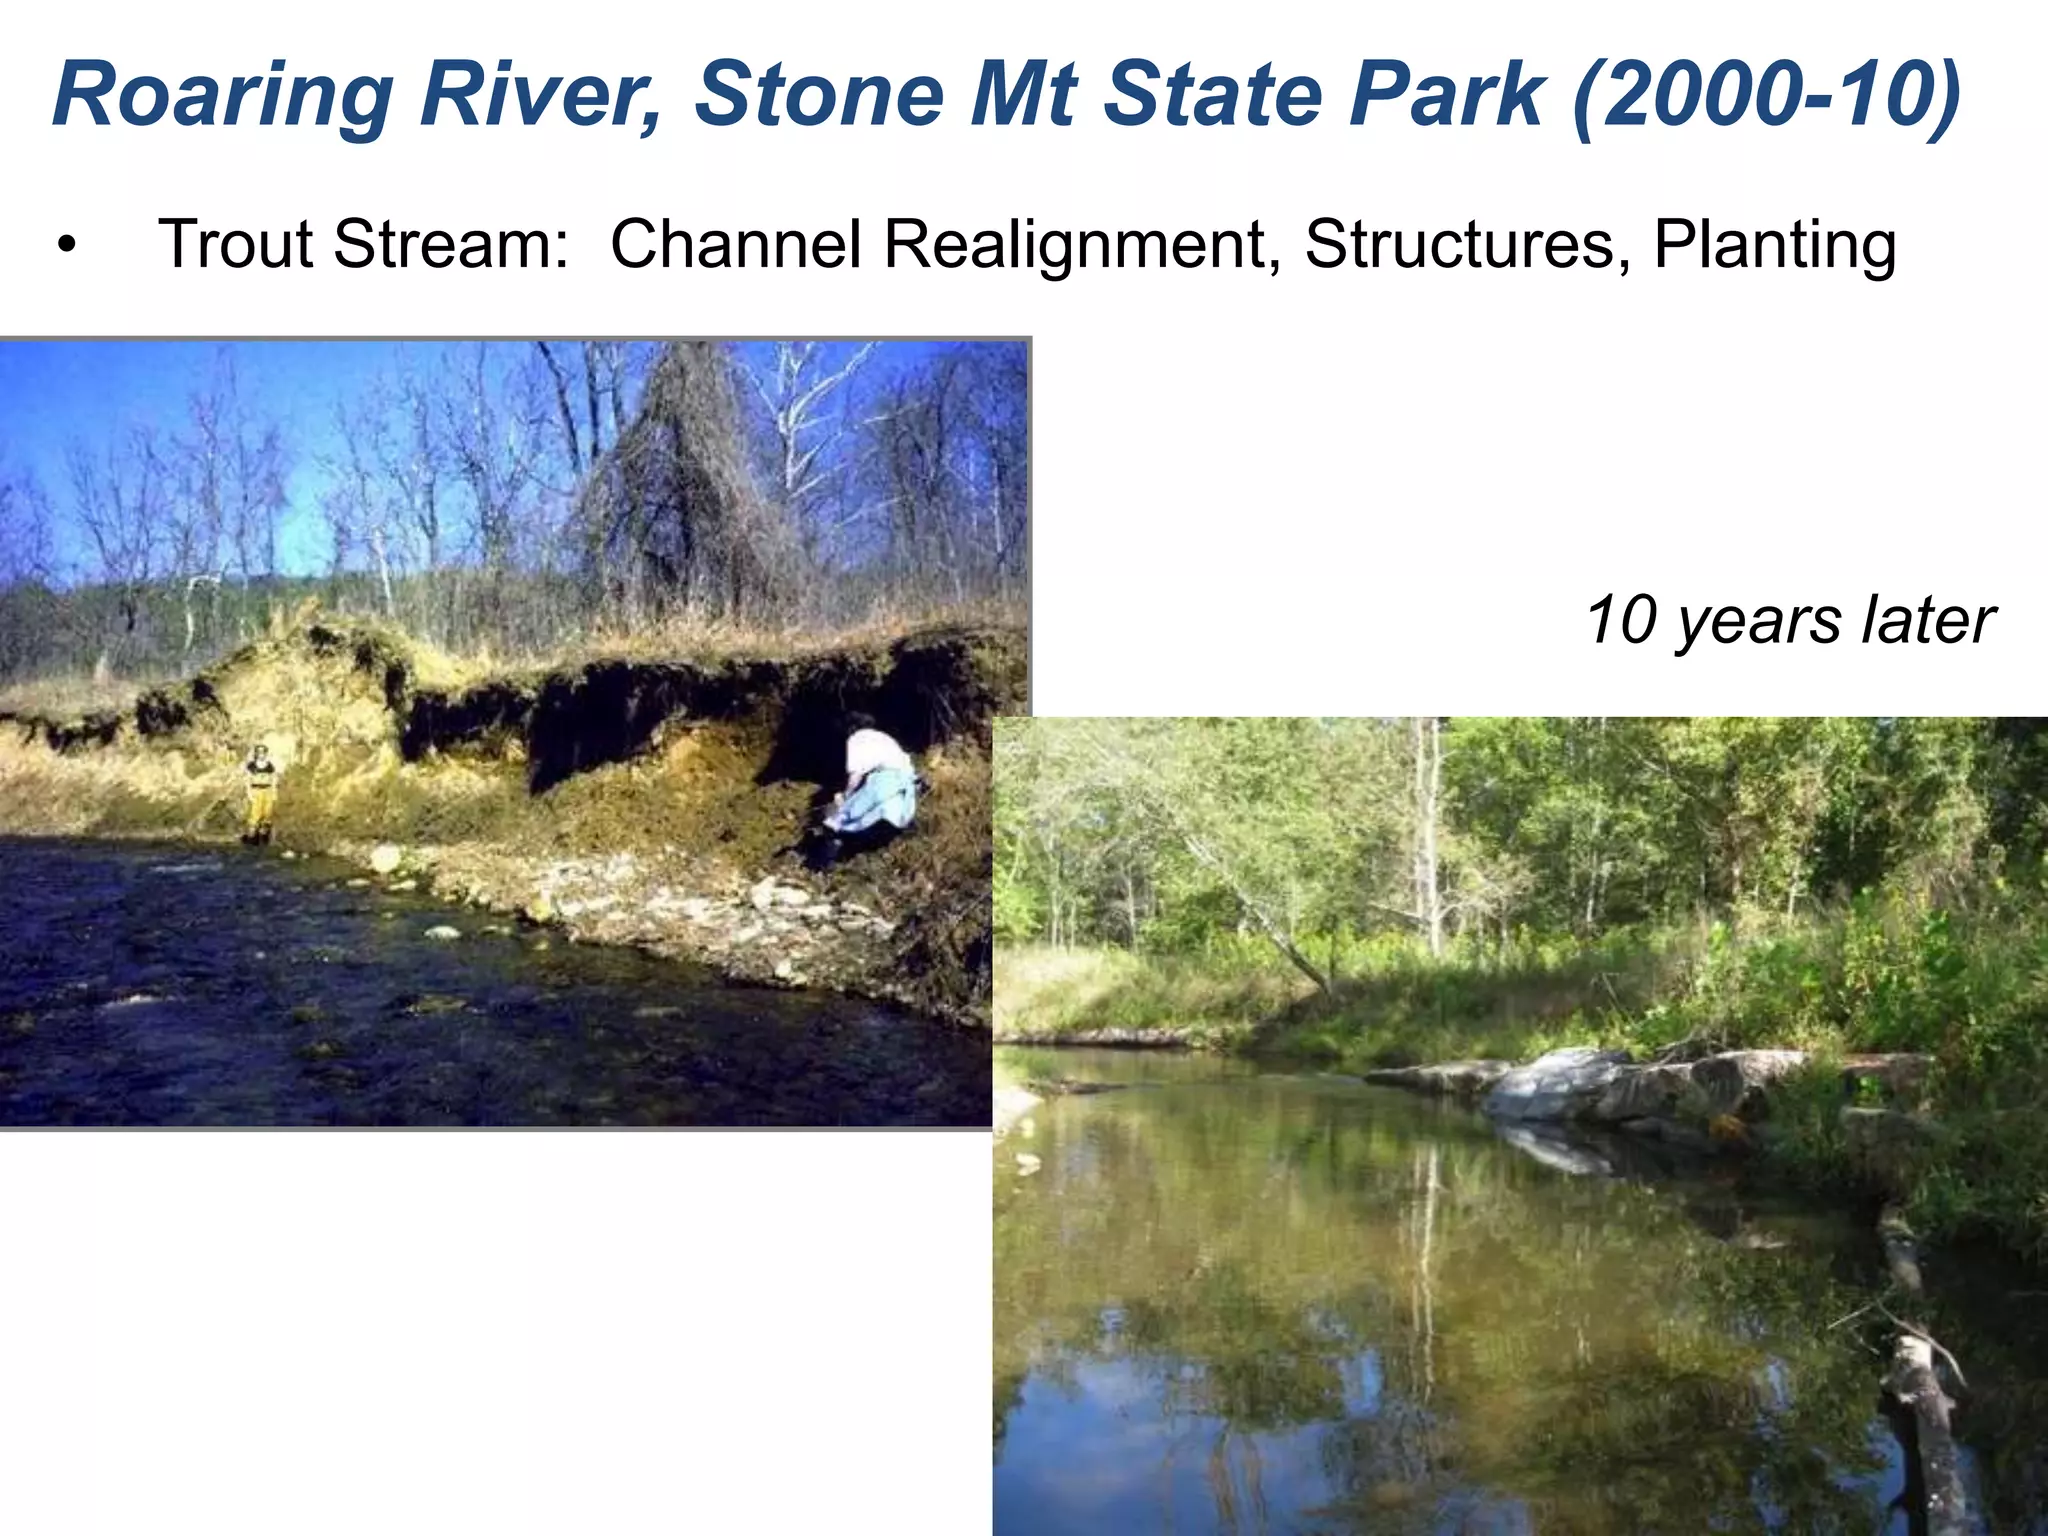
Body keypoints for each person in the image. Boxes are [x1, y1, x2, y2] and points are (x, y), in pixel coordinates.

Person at [808, 714, 918, 868]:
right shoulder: (883, 738)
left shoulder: (856, 740)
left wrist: (845, 797)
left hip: (884, 780)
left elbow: (855, 776)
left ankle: (824, 856)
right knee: (891, 814)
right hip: (905, 783)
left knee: (845, 817)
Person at [242, 741, 279, 845]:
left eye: (263, 752)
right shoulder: (251, 766)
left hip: (267, 790)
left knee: (267, 813)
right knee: (255, 814)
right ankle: (251, 838)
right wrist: (249, 793)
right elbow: (247, 780)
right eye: (259, 752)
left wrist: (274, 792)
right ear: (256, 753)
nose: (261, 754)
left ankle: (264, 836)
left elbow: (274, 779)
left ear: (266, 753)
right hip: (256, 791)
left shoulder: (270, 766)